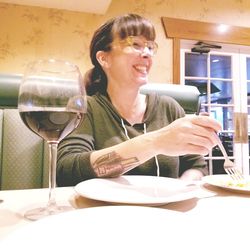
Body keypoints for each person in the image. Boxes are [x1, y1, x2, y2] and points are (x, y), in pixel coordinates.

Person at [56, 13, 221, 187]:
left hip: (166, 210)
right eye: (135, 44)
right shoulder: (86, 108)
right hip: (103, 211)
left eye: (150, 47)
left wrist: (179, 187)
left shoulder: (169, 107)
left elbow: (197, 167)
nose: (147, 54)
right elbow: (66, 171)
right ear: (104, 58)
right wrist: (156, 142)